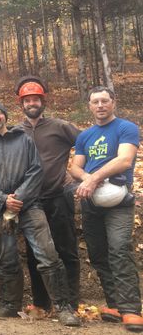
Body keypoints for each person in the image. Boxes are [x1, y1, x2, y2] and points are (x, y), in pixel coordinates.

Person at [0, 102, 80, 327]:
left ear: (5, 116)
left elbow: (36, 169)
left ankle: (63, 307)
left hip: (30, 205)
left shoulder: (24, 139)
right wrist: (4, 200)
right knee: (6, 259)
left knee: (48, 254)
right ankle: (10, 305)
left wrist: (18, 198)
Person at [69, 86, 143, 332]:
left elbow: (124, 160)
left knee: (120, 249)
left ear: (113, 103)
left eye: (104, 101)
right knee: (98, 253)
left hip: (118, 201)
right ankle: (115, 305)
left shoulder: (126, 128)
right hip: (91, 201)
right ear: (89, 106)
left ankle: (131, 309)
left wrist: (93, 178)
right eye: (95, 102)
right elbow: (75, 168)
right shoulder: (85, 136)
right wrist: (87, 179)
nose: (100, 106)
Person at [15, 77, 81, 313]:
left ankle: (72, 303)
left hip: (58, 197)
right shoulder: (16, 132)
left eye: (36, 99)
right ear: (21, 103)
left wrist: (79, 174)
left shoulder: (60, 126)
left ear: (43, 101)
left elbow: (88, 145)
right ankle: (42, 303)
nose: (32, 103)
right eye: (27, 100)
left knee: (67, 249)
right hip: (30, 202)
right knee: (35, 253)